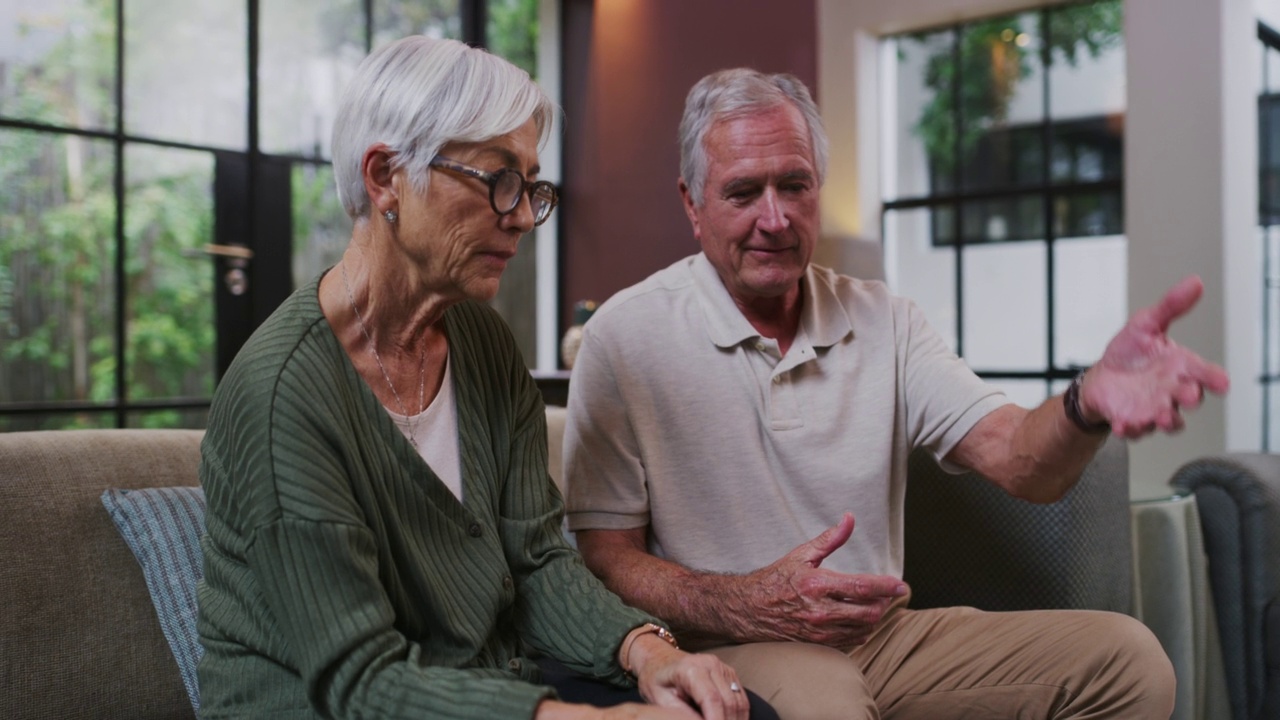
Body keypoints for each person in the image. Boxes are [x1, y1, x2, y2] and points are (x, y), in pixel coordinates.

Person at [563, 67, 1231, 720]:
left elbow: (1022, 462)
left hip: (885, 640)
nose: (775, 218)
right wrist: (740, 601)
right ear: (692, 203)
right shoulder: (625, 335)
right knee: (826, 706)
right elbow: (605, 556)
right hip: (727, 641)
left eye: (794, 186)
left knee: (1129, 662)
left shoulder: (886, 319)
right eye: (744, 193)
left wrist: (1086, 401)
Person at [196, 38, 778, 720]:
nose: (525, 215)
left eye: (532, 187)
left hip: (484, 683)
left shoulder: (483, 344)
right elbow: (360, 680)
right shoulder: (281, 395)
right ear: (386, 177)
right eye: (498, 179)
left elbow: (536, 561)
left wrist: (650, 651)